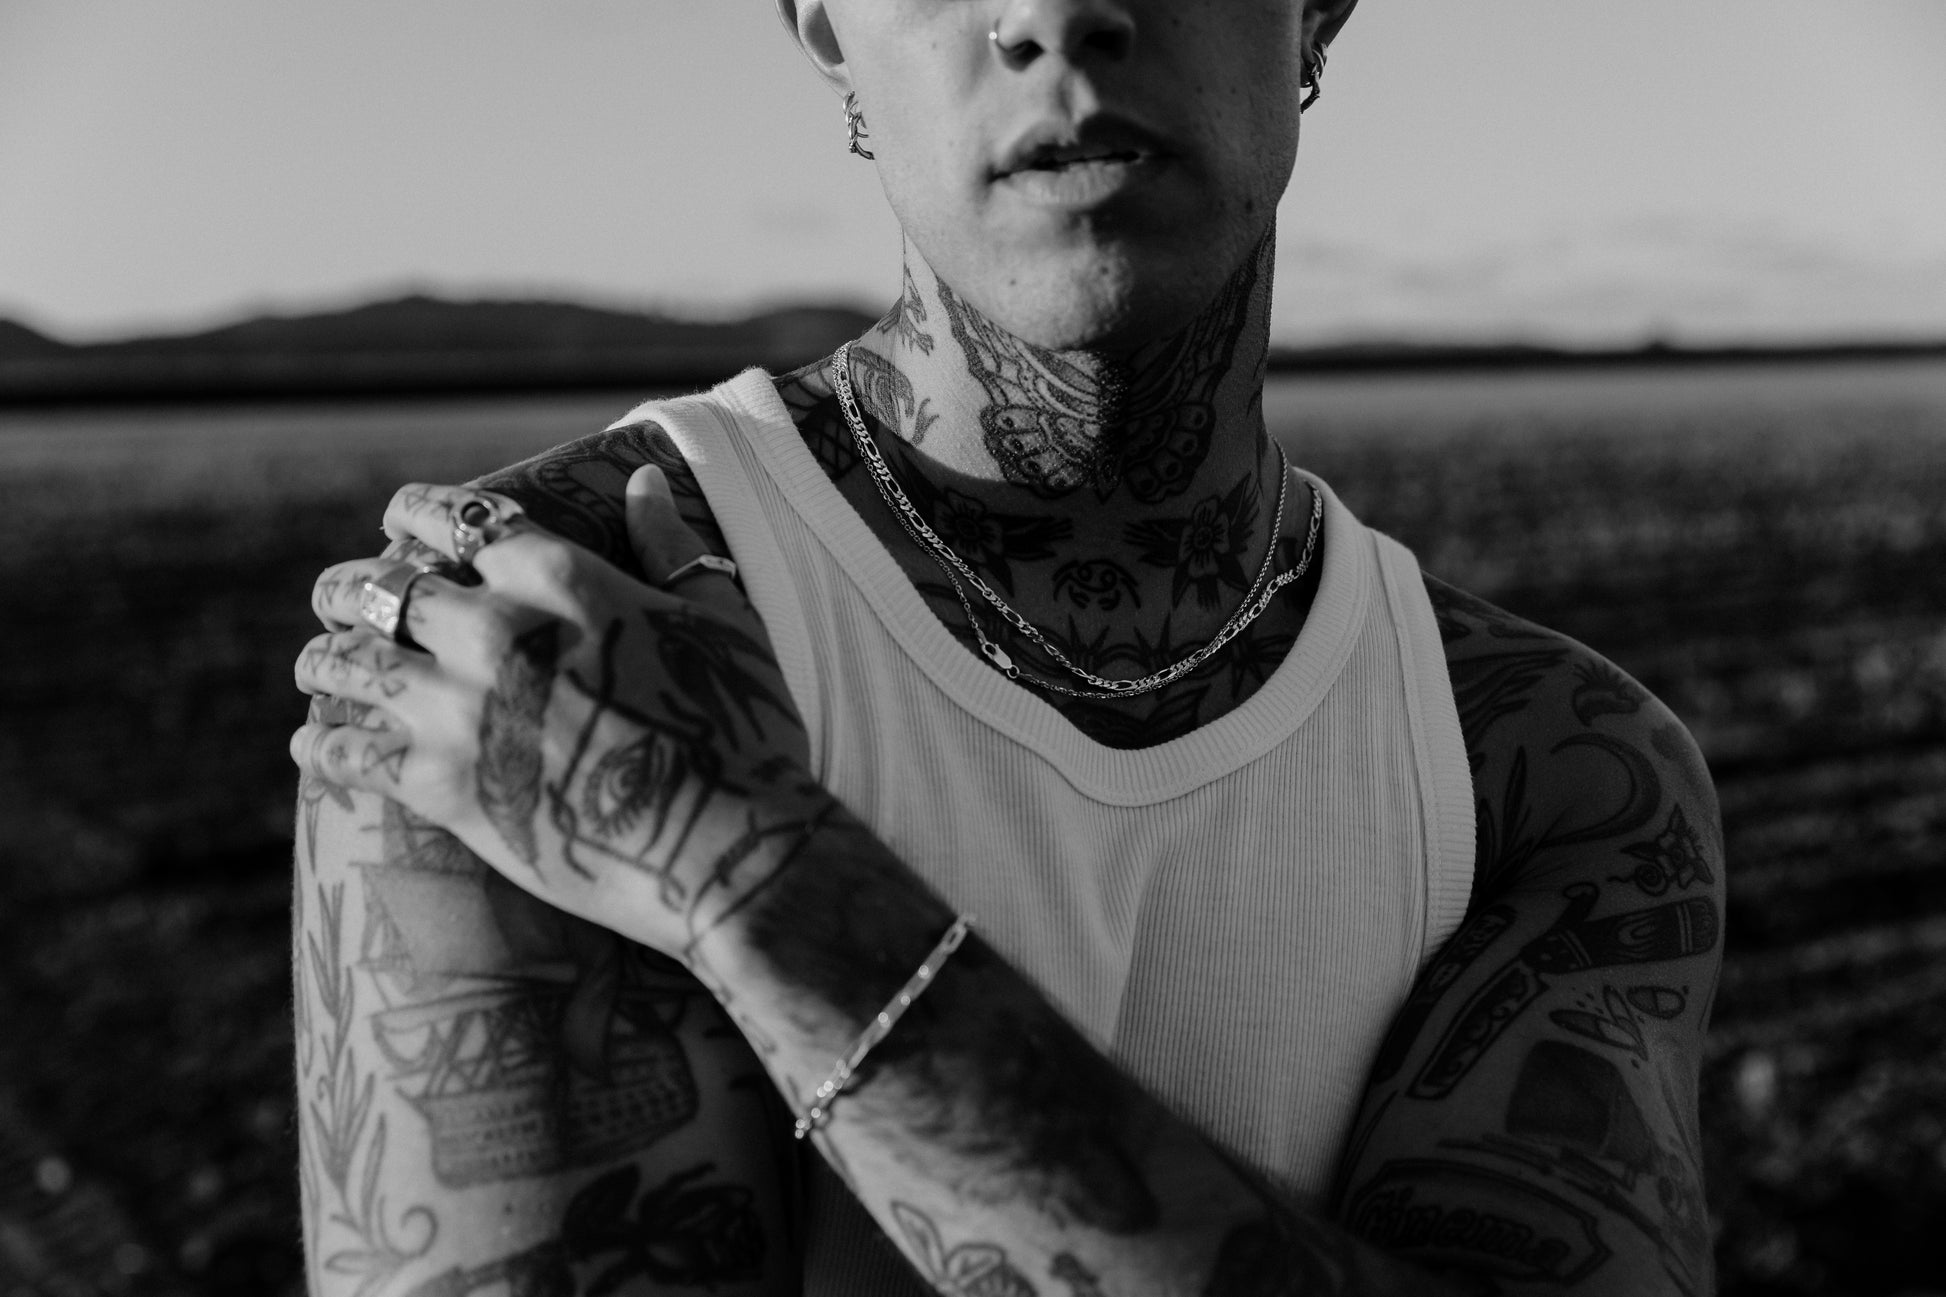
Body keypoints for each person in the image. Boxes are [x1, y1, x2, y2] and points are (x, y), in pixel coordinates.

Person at [290, 1, 1724, 1293]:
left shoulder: (1539, 762)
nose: (1055, 15)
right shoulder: (535, 639)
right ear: (823, 30)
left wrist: (752, 875)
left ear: (1319, 11)